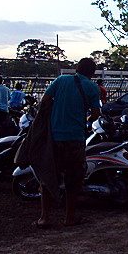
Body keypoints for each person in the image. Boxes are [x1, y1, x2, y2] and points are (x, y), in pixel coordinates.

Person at [35, 58, 101, 228]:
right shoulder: (93, 88)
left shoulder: (61, 80)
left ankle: (44, 217)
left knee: (49, 175)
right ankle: (69, 217)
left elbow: (45, 101)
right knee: (74, 178)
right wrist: (84, 118)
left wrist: (54, 117)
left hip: (55, 137)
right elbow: (95, 115)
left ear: (76, 69)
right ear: (92, 73)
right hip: (75, 138)